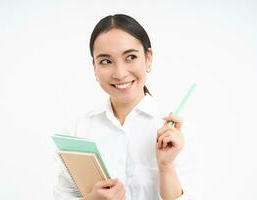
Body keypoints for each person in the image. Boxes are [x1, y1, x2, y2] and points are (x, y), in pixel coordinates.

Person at [53, 14, 199, 200]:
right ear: (94, 67)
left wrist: (166, 166)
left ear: (148, 58)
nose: (120, 73)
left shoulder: (175, 133)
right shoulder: (78, 129)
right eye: (106, 61)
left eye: (130, 57)